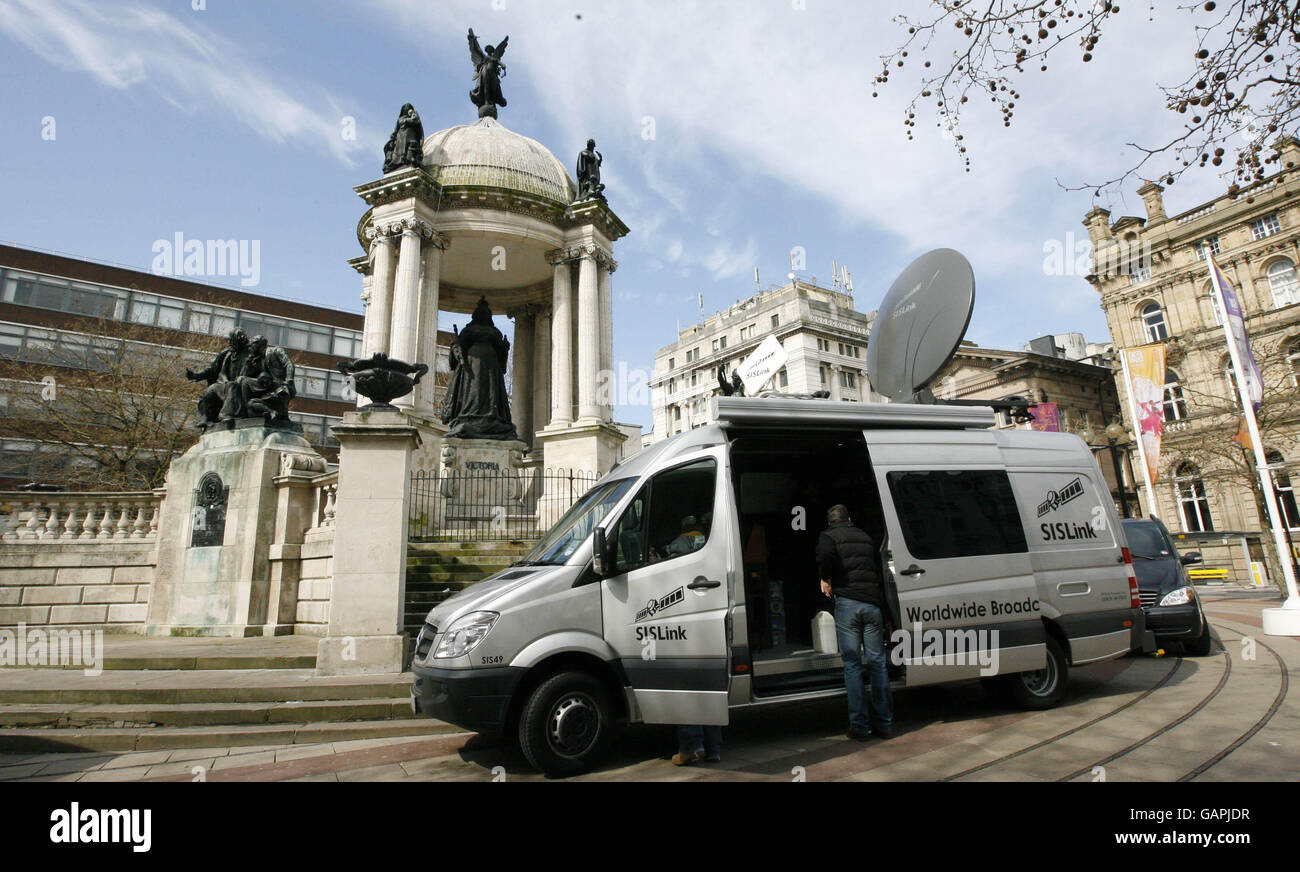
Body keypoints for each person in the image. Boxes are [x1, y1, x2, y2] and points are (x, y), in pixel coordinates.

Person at [816, 504, 893, 741]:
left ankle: (860, 727)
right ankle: (885, 725)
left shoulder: (827, 536)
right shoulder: (863, 535)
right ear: (849, 518)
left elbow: (825, 556)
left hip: (848, 603)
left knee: (852, 664)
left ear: (830, 522)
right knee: (878, 663)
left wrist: (825, 578)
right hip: (872, 604)